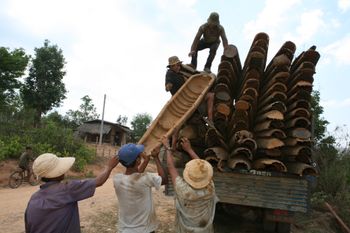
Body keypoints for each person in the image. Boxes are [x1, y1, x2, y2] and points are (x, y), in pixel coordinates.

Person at [25, 153, 119, 233]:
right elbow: (99, 181)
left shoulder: (33, 199)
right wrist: (109, 167)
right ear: (59, 172)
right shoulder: (67, 189)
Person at [161, 136, 218, 233]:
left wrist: (167, 147)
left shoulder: (183, 189)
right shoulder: (210, 187)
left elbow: (171, 167)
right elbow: (203, 167)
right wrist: (189, 149)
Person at [113, 143, 167, 233]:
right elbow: (164, 180)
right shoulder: (146, 178)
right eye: (139, 157)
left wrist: (145, 161)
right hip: (144, 230)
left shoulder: (117, 179)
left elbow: (135, 176)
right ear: (138, 160)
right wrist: (156, 157)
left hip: (124, 230)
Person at [165, 55, 214, 123]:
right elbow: (167, 86)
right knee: (210, 96)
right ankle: (210, 119)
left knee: (210, 95)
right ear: (171, 67)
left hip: (189, 97)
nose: (177, 67)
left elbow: (193, 72)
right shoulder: (170, 74)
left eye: (178, 65)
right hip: (184, 100)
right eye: (175, 65)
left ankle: (210, 119)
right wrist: (168, 86)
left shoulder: (180, 73)